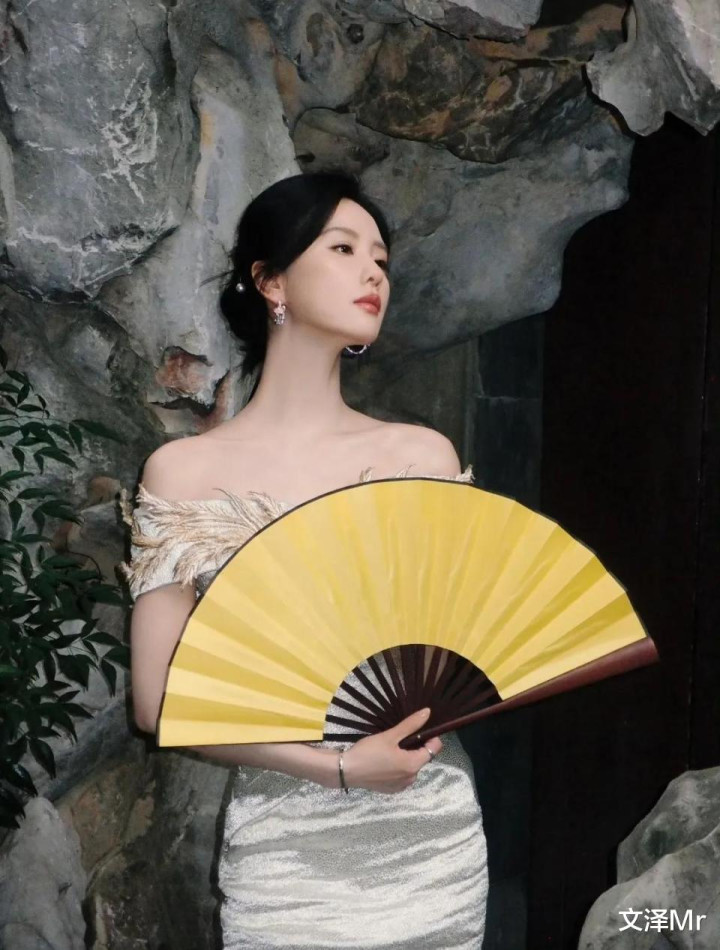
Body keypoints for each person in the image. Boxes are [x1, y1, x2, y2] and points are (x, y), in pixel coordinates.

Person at [118, 171, 489, 949]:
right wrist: (340, 768)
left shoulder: (421, 456)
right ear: (271, 280)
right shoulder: (182, 474)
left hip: (430, 834)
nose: (373, 273)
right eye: (344, 249)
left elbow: (461, 653)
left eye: (381, 259)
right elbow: (158, 704)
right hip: (284, 848)